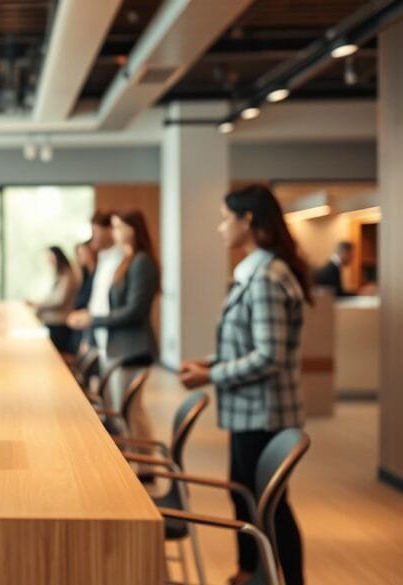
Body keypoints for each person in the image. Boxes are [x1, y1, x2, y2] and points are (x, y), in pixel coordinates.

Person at [179, 184, 308, 585]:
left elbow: (269, 356)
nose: (221, 228)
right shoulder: (256, 271)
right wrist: (211, 361)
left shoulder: (266, 276)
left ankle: (281, 578)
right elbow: (249, 345)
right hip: (250, 409)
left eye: (225, 218)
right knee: (244, 493)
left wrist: (210, 375)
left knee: (269, 504)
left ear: (247, 220)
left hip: (264, 412)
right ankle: (251, 572)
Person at [67, 210, 159, 450]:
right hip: (118, 346)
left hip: (133, 347)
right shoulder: (127, 260)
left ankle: (146, 462)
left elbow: (134, 310)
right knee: (125, 411)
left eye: (119, 227)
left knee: (131, 411)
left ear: (133, 229)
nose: (115, 232)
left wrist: (93, 320)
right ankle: (141, 459)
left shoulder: (141, 262)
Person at [32, 246, 79, 356]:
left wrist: (38, 304)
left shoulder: (67, 275)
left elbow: (58, 300)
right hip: (54, 323)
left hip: (60, 325)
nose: (48, 261)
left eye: (51, 257)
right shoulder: (58, 275)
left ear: (58, 257)